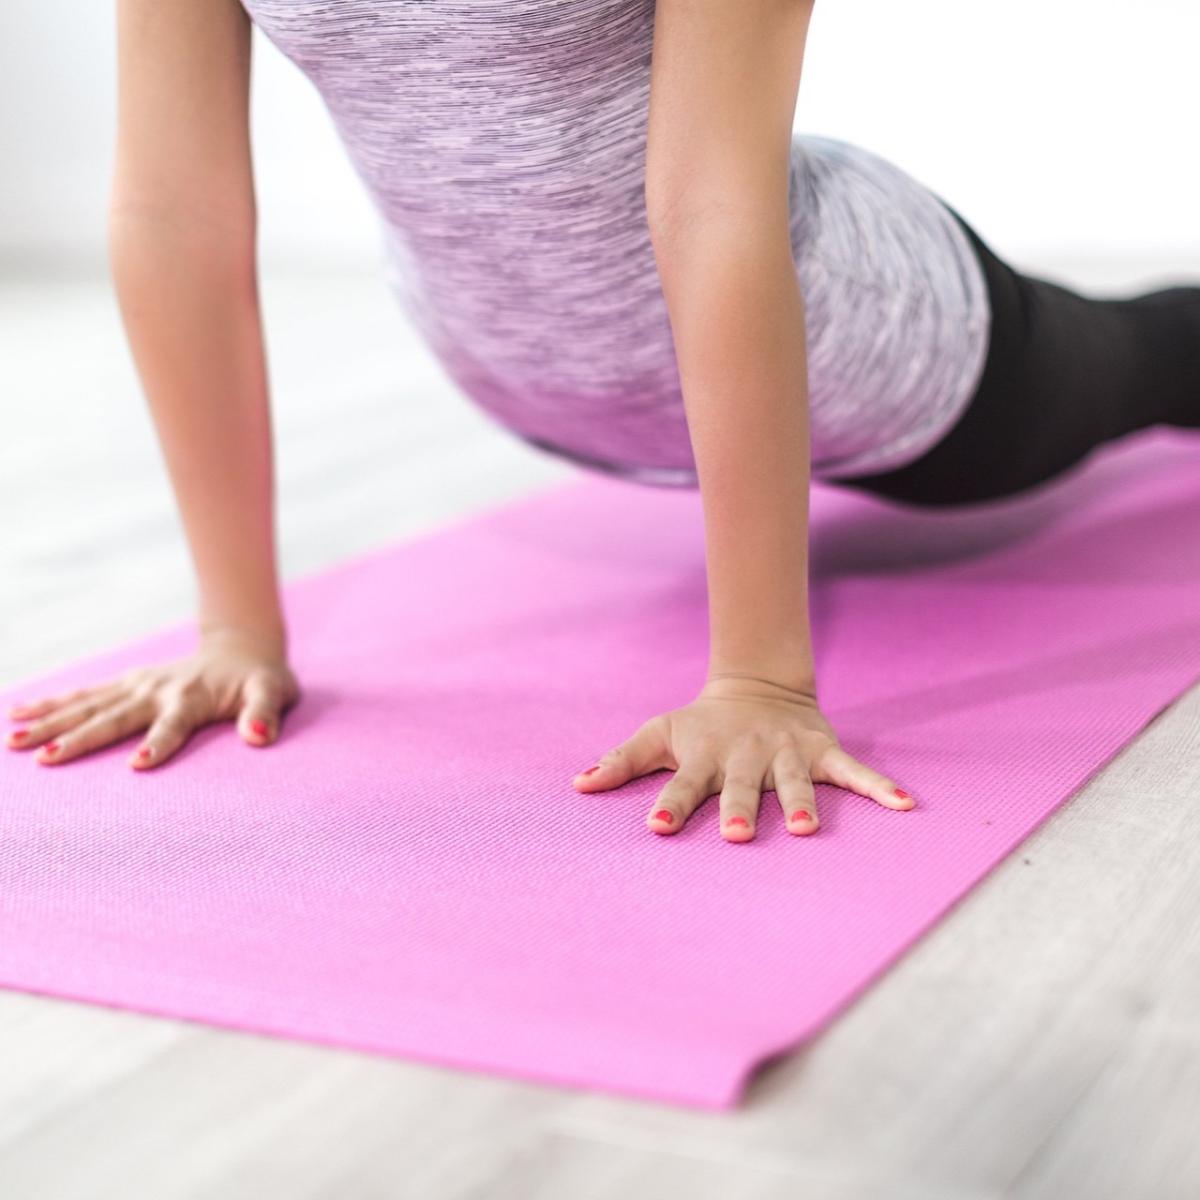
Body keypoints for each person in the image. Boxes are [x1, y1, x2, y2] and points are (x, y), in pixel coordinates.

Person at [6, 0, 1198, 844]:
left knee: (1150, 358)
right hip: (535, 371)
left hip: (866, 337)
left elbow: (714, 207)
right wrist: (235, 631)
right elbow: (176, 210)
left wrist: (761, 680)